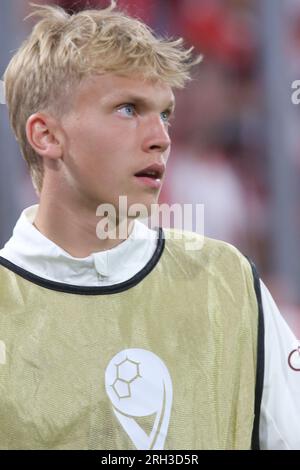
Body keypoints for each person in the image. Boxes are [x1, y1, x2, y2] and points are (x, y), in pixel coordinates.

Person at [0, 1, 299, 450]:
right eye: (127, 109)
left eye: (164, 113)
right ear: (47, 135)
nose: (161, 137)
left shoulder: (230, 283)